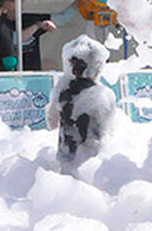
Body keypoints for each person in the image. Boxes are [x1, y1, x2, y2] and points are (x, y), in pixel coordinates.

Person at [46, 35, 117, 174]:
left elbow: (52, 123)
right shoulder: (105, 95)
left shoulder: (62, 91)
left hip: (66, 161)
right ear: (98, 66)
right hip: (93, 167)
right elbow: (108, 133)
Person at [0, 0, 57, 71]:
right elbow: (15, 39)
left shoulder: (31, 19)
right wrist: (38, 25)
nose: (19, 2)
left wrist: (81, 0)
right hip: (8, 77)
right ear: (4, 2)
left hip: (32, 76)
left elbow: (63, 17)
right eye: (14, 0)